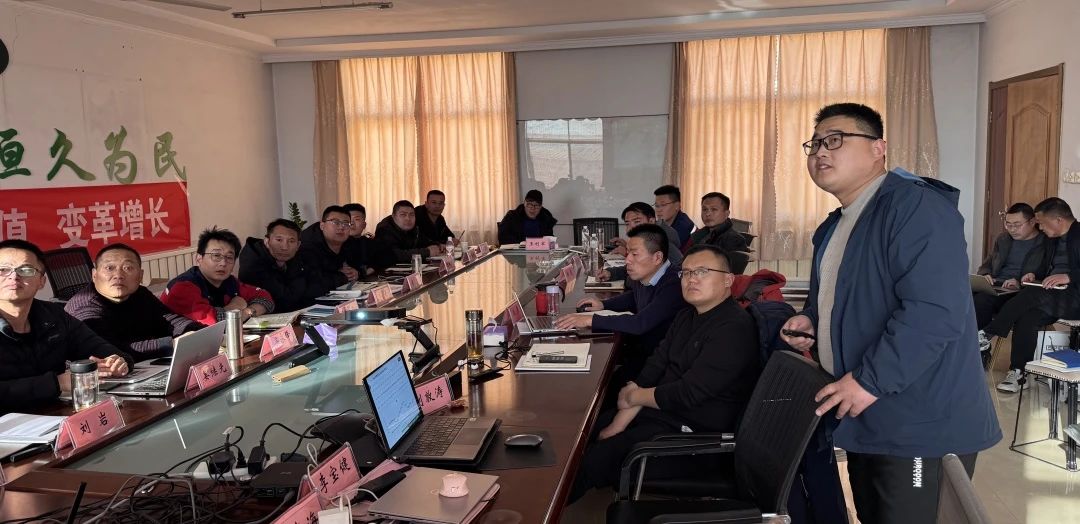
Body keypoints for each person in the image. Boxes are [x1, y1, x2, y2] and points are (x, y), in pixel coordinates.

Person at [778, 103, 999, 524]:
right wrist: (813, 320)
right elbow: (847, 297)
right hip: (867, 410)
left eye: (835, 140)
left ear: (878, 148)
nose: (821, 151)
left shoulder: (915, 207)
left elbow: (934, 312)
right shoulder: (838, 223)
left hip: (918, 418)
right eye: (815, 144)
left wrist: (869, 380)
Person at [568, 245, 760, 503]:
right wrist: (619, 422)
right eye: (686, 272)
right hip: (663, 417)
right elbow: (655, 367)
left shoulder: (733, 328)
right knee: (584, 434)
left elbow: (687, 393)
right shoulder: (686, 316)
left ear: (728, 280)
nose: (691, 279)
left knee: (592, 462)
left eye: (702, 271)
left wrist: (634, 397)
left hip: (696, 440)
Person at [0, 239, 131, 413]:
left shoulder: (53, 315)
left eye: (26, 270)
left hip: (54, 416)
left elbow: (101, 349)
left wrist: (118, 362)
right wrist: (57, 383)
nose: (14, 277)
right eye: (3, 270)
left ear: (41, 281)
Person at [555, 224, 687, 377]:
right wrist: (603, 304)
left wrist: (590, 320)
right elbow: (634, 297)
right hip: (641, 351)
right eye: (628, 253)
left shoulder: (674, 285)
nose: (627, 260)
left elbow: (640, 323)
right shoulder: (646, 274)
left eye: (635, 254)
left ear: (657, 257)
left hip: (660, 366)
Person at [984, 197, 1080, 393]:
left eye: (1042, 223)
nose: (1040, 228)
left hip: (1074, 298)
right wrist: (1034, 275)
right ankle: (1019, 373)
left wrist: (1069, 277)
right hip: (1052, 296)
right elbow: (1047, 269)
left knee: (1032, 294)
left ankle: (987, 334)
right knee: (1028, 317)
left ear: (1058, 220)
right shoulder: (1052, 240)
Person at [65, 243, 203, 362]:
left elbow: (169, 319)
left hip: (142, 367)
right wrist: (173, 344)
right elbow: (111, 350)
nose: (118, 275)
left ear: (141, 275)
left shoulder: (140, 293)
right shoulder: (84, 308)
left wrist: (198, 331)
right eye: (109, 268)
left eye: (128, 268)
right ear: (94, 275)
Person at [161, 227, 274, 325]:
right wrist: (238, 308)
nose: (223, 263)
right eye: (216, 255)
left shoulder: (230, 281)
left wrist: (249, 311)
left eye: (229, 257)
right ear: (199, 258)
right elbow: (213, 322)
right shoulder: (183, 287)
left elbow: (266, 299)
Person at [972, 203, 1045, 331]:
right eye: (1008, 224)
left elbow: (1047, 273)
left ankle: (980, 339)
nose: (1012, 229)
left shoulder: (1045, 242)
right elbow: (987, 264)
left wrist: (1020, 283)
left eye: (1017, 225)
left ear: (1032, 222)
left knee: (982, 301)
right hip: (995, 285)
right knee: (960, 295)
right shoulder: (1003, 239)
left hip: (1020, 291)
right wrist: (985, 275)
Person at [239, 219, 329, 313]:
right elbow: (283, 300)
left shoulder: (298, 256)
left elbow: (318, 287)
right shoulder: (253, 261)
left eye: (291, 241)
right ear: (267, 242)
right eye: (279, 240)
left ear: (298, 245)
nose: (285, 247)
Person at [597, 202, 682, 282]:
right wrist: (611, 273)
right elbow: (641, 267)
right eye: (627, 224)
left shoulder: (662, 239)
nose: (630, 228)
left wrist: (627, 253)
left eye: (637, 222)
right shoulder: (653, 234)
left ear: (651, 221)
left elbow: (672, 273)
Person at [300, 206, 365, 287]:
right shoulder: (307, 246)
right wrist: (342, 277)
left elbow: (360, 265)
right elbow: (313, 281)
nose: (341, 227)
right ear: (322, 225)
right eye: (335, 222)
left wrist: (356, 272)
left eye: (346, 223)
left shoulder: (349, 241)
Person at [374, 200, 444, 263]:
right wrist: (427, 252)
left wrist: (439, 245)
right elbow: (394, 255)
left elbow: (424, 241)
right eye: (403, 215)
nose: (408, 218)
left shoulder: (413, 228)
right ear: (393, 216)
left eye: (411, 215)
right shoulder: (384, 229)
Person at [684, 192, 750, 253]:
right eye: (705, 209)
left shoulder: (735, 240)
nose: (707, 214)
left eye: (714, 209)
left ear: (727, 213)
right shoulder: (698, 235)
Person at [341, 203, 388, 275]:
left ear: (364, 225)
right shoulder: (335, 244)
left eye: (356, 219)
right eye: (348, 220)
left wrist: (369, 270)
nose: (352, 223)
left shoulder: (370, 243)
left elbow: (387, 257)